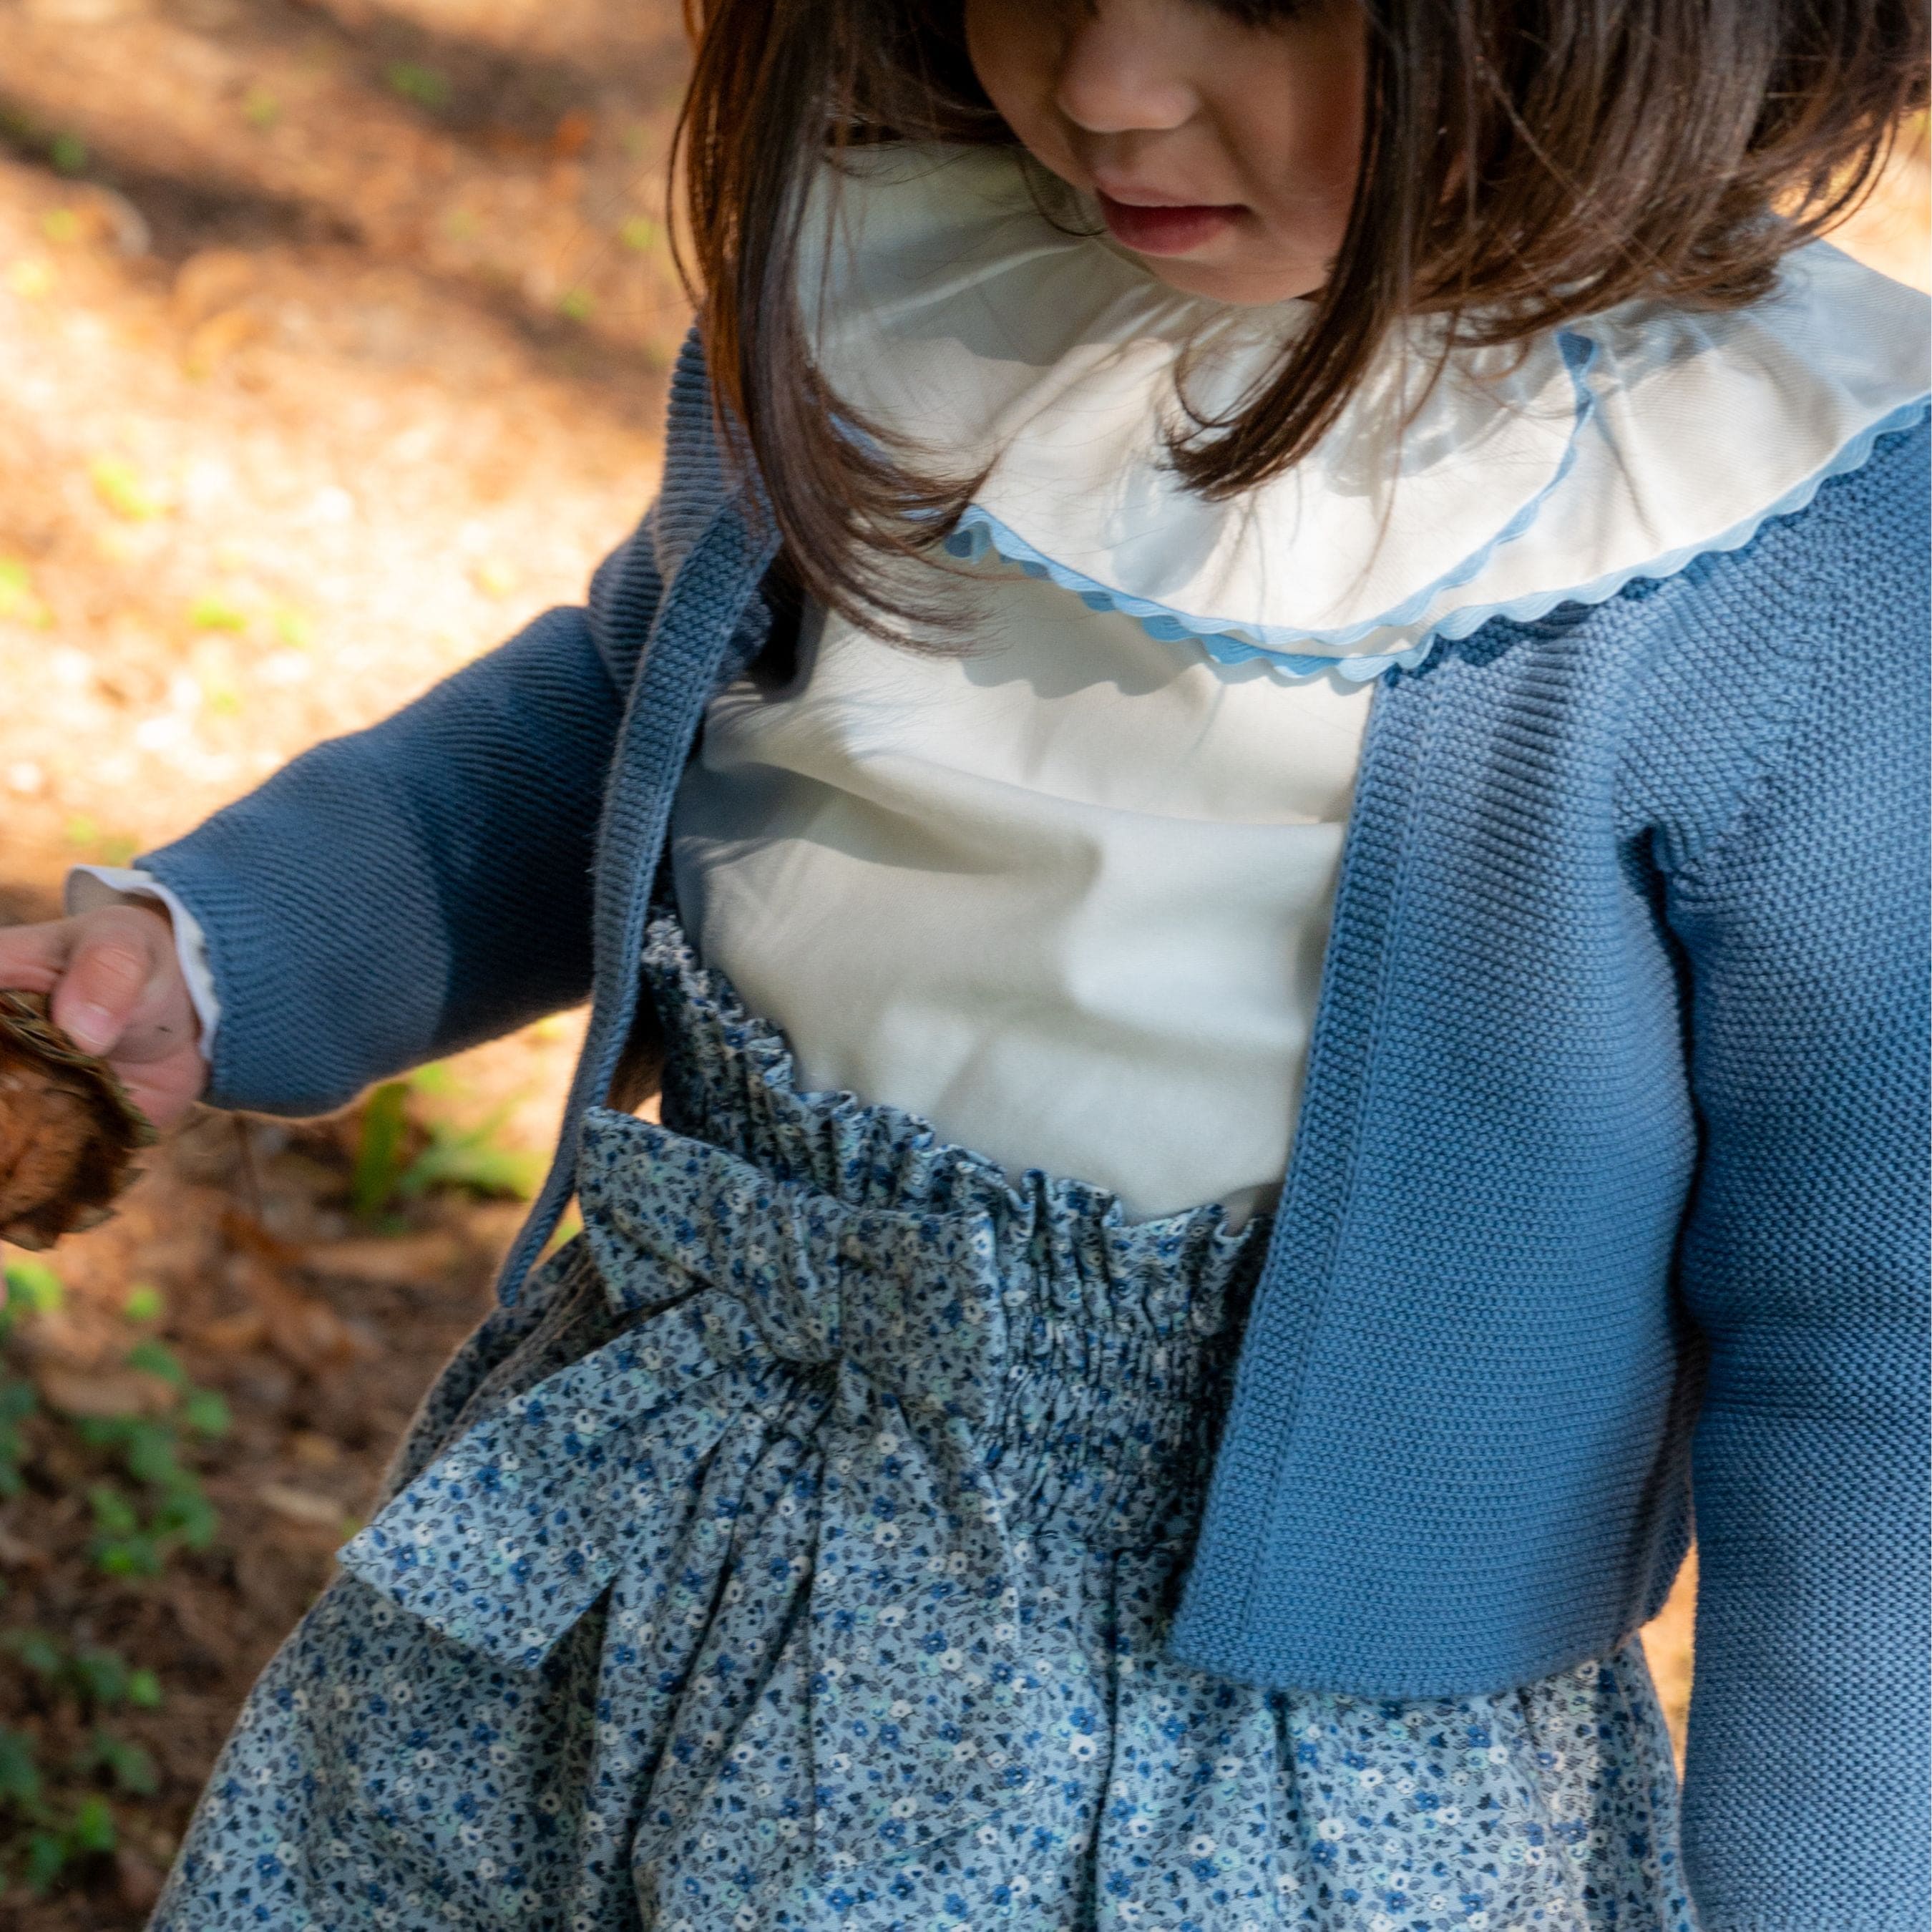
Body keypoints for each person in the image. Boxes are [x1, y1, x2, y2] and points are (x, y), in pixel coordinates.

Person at [2, 0, 1926, 1925]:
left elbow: (1866, 1332)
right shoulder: (927, 277)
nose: (1103, 86)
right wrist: (225, 947)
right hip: (641, 1524)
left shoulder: (1757, 529)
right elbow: (639, 700)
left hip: (1230, 1766)